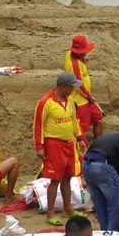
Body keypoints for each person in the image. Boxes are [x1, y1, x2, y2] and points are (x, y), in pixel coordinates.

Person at [33, 73, 84, 224]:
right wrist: (39, 146)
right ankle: (50, 213)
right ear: (63, 86)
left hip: (69, 144)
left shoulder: (70, 102)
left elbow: (74, 122)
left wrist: (80, 137)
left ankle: (68, 209)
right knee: (55, 179)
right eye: (71, 87)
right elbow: (38, 125)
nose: (73, 89)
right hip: (54, 144)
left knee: (68, 177)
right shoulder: (45, 102)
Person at [63, 35, 104, 141]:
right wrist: (89, 96)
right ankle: (80, 150)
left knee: (98, 118)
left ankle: (99, 144)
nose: (86, 53)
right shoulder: (74, 64)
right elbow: (78, 84)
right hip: (80, 101)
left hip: (86, 98)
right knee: (82, 128)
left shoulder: (71, 54)